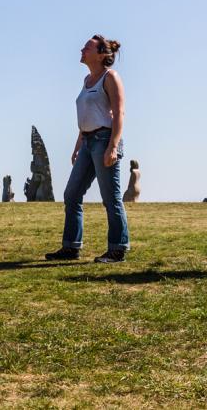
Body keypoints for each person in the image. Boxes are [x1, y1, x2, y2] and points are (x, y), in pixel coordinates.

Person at [45, 35, 130, 263]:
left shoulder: (110, 77)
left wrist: (113, 146)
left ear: (102, 54)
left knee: (110, 197)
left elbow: (119, 113)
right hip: (88, 141)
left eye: (88, 47)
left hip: (105, 140)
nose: (82, 49)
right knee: (71, 194)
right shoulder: (86, 80)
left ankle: (117, 248)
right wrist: (78, 144)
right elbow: (86, 117)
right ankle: (71, 247)